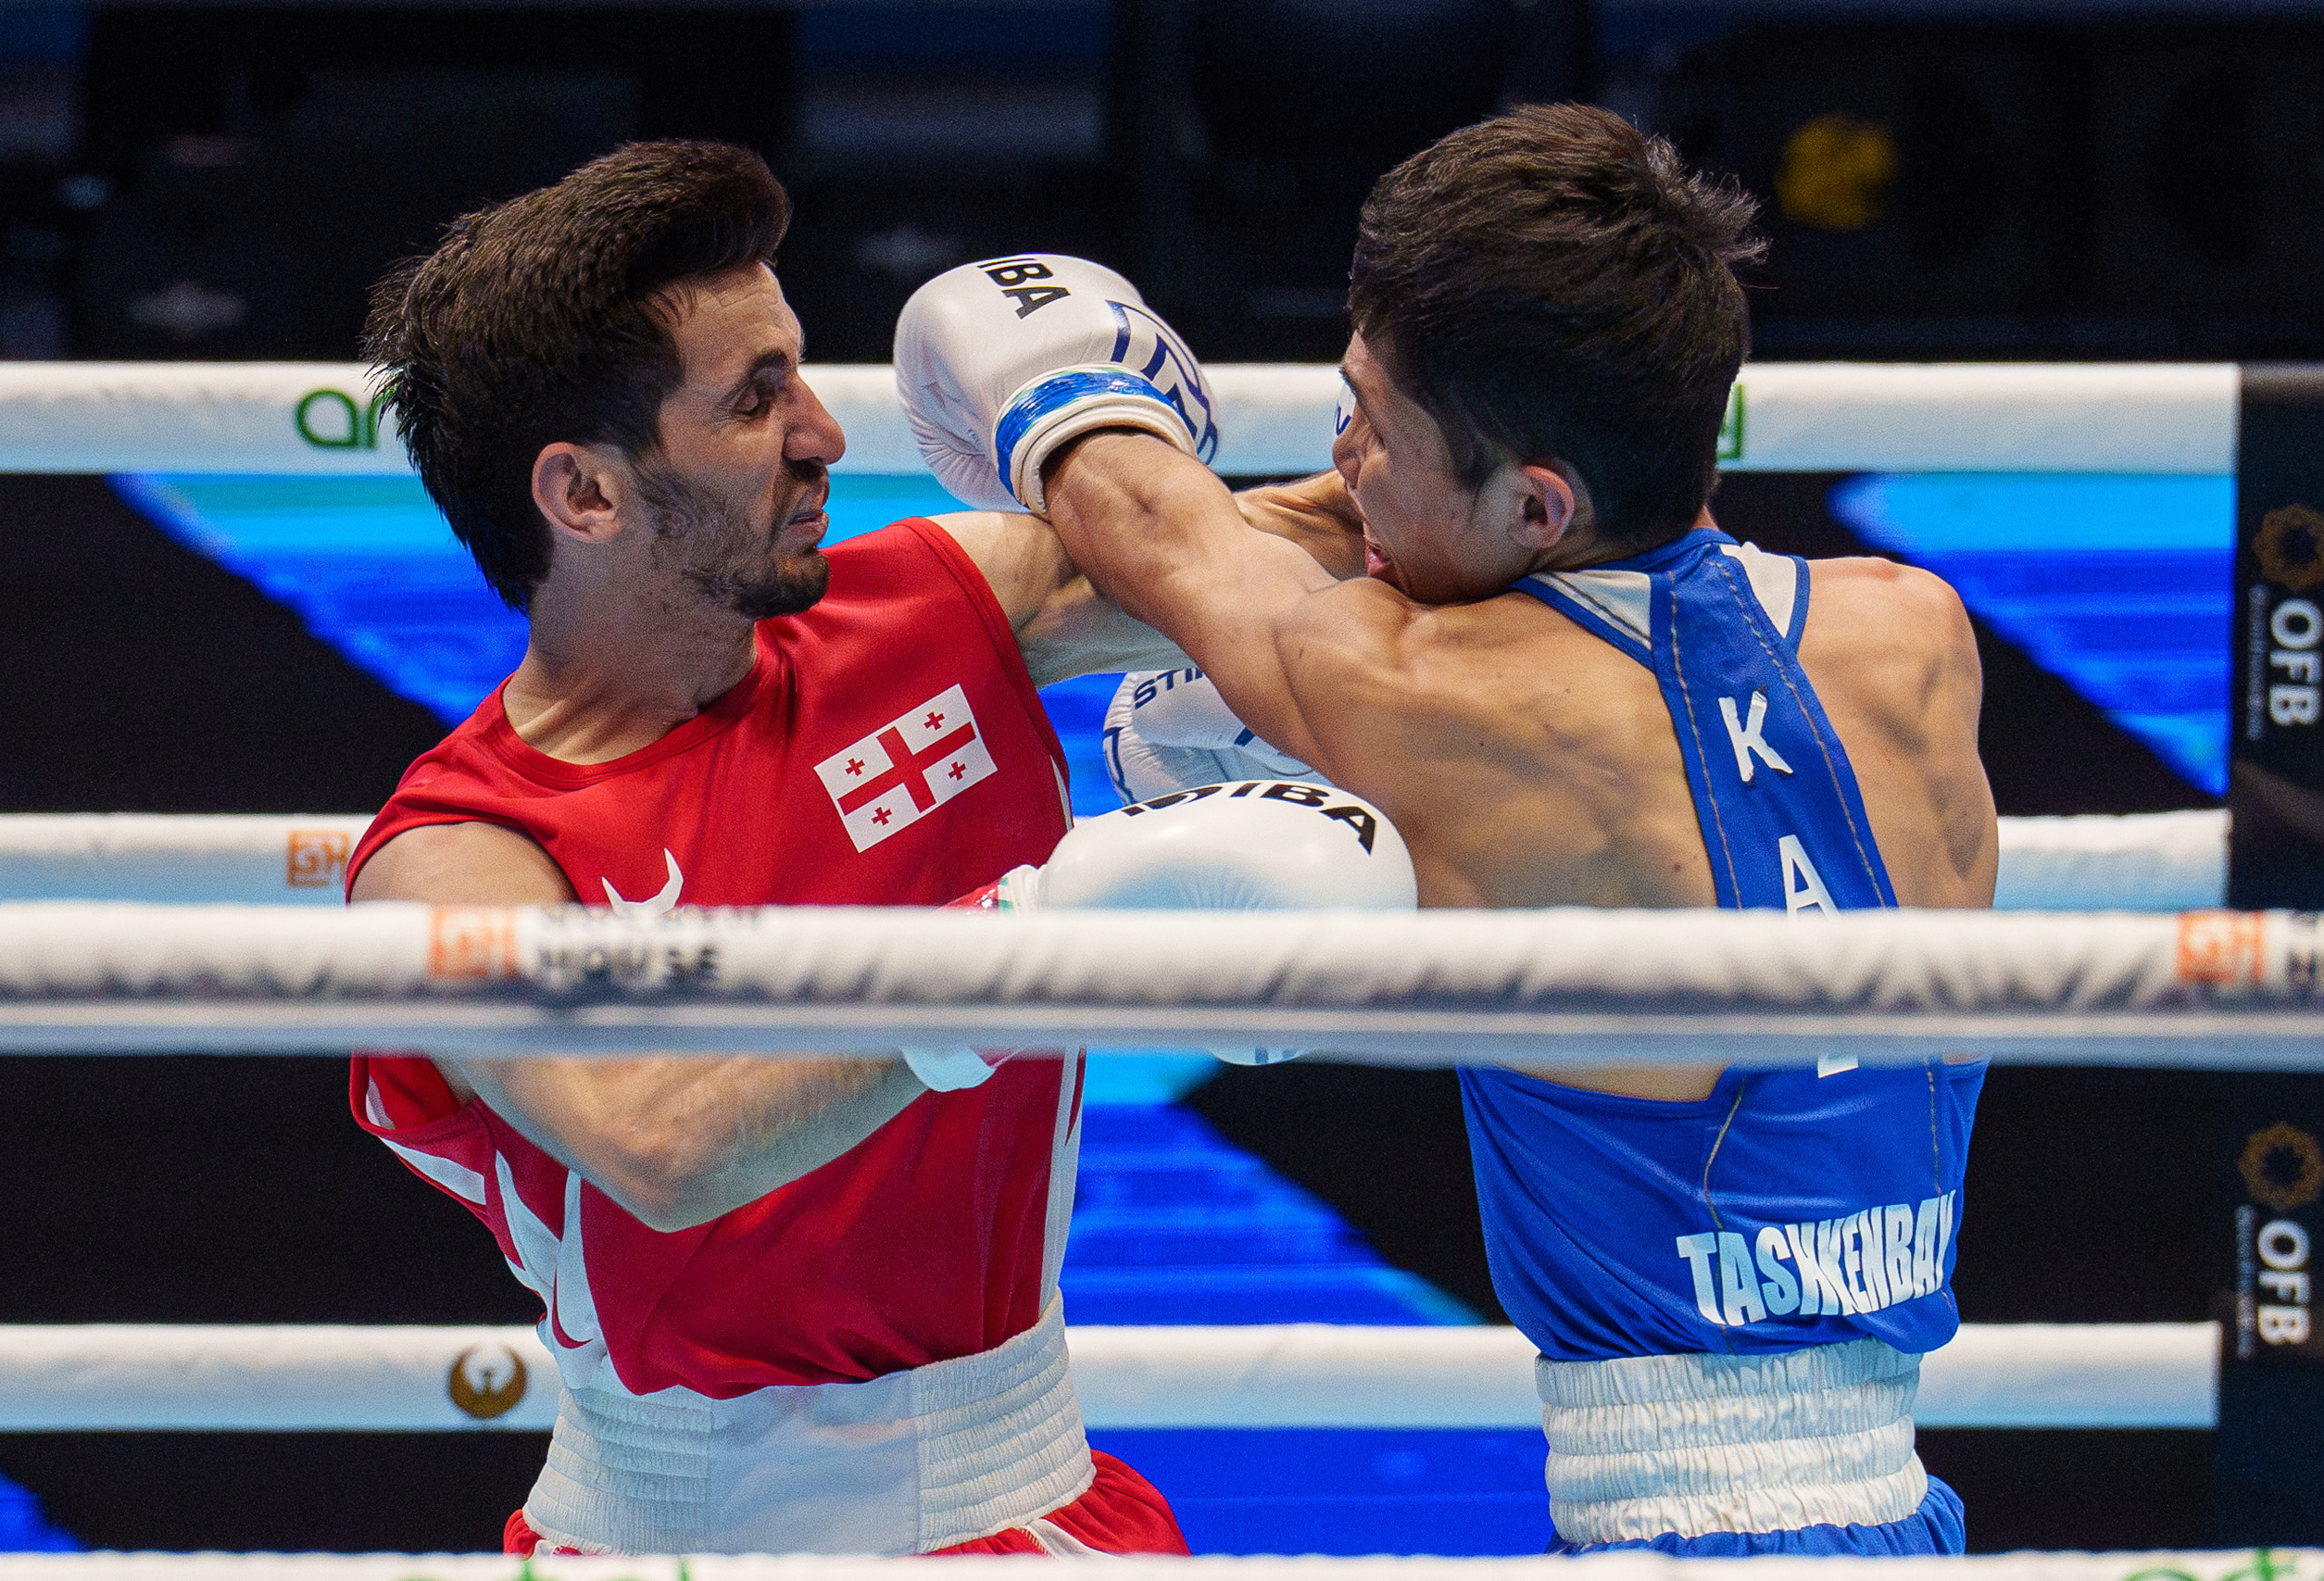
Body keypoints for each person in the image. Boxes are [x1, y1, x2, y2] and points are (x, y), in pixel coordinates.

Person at [895, 103, 1999, 1558]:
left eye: (1370, 418)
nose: (1343, 452)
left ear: (1540, 504)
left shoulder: (1432, 697)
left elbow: (1169, 537)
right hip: (1906, 1517)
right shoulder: (1916, 636)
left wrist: (1056, 390)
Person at [340, 139, 1357, 1558]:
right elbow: (661, 1141)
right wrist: (1040, 933)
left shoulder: (934, 607)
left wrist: (1089, 431)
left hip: (1032, 1505)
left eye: (800, 370)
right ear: (584, 497)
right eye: (757, 399)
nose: (823, 428)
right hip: (677, 1544)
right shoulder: (456, 858)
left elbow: (1335, 547)